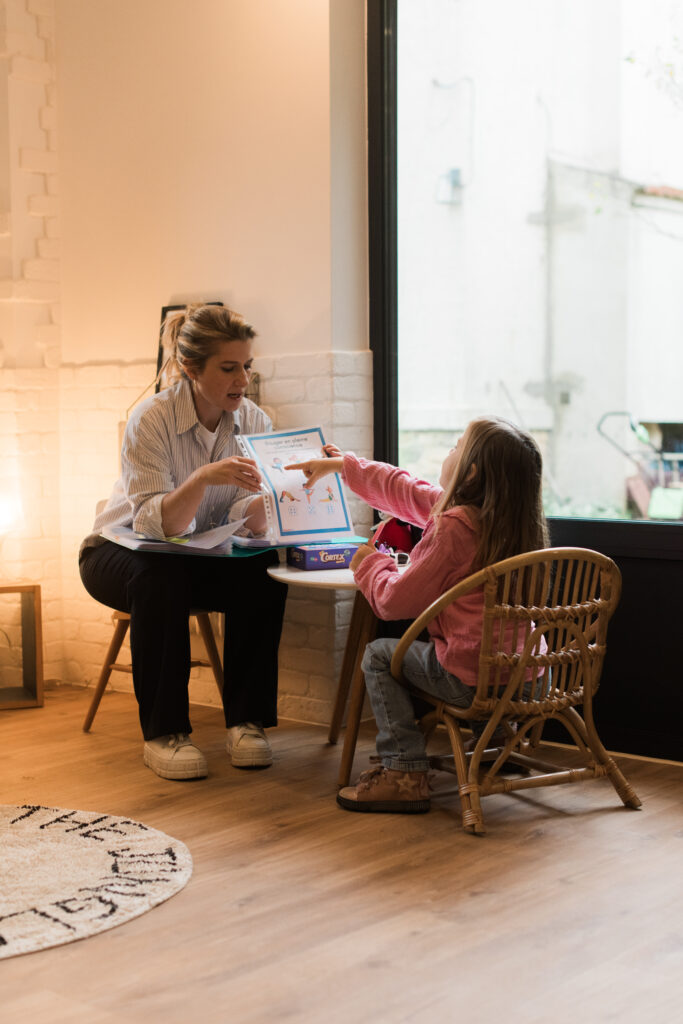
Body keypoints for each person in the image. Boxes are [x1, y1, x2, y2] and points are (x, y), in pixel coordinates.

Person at [287, 417, 549, 814]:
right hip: (531, 678)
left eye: (456, 445)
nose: (449, 450)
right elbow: (408, 491)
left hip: (476, 680)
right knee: (479, 646)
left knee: (379, 655)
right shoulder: (514, 521)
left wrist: (370, 563)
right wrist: (345, 467)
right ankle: (494, 746)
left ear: (471, 472)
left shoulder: (454, 528)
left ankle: (403, 771)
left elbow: (393, 603)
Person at [79, 303, 287, 781]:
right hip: (121, 550)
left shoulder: (254, 422)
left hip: (195, 553)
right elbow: (155, 523)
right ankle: (164, 734)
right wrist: (203, 478)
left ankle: (247, 722)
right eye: (229, 368)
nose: (243, 380)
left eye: (247, 367)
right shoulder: (150, 419)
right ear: (193, 369)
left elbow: (244, 515)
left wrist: (279, 500)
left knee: (263, 572)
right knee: (160, 576)